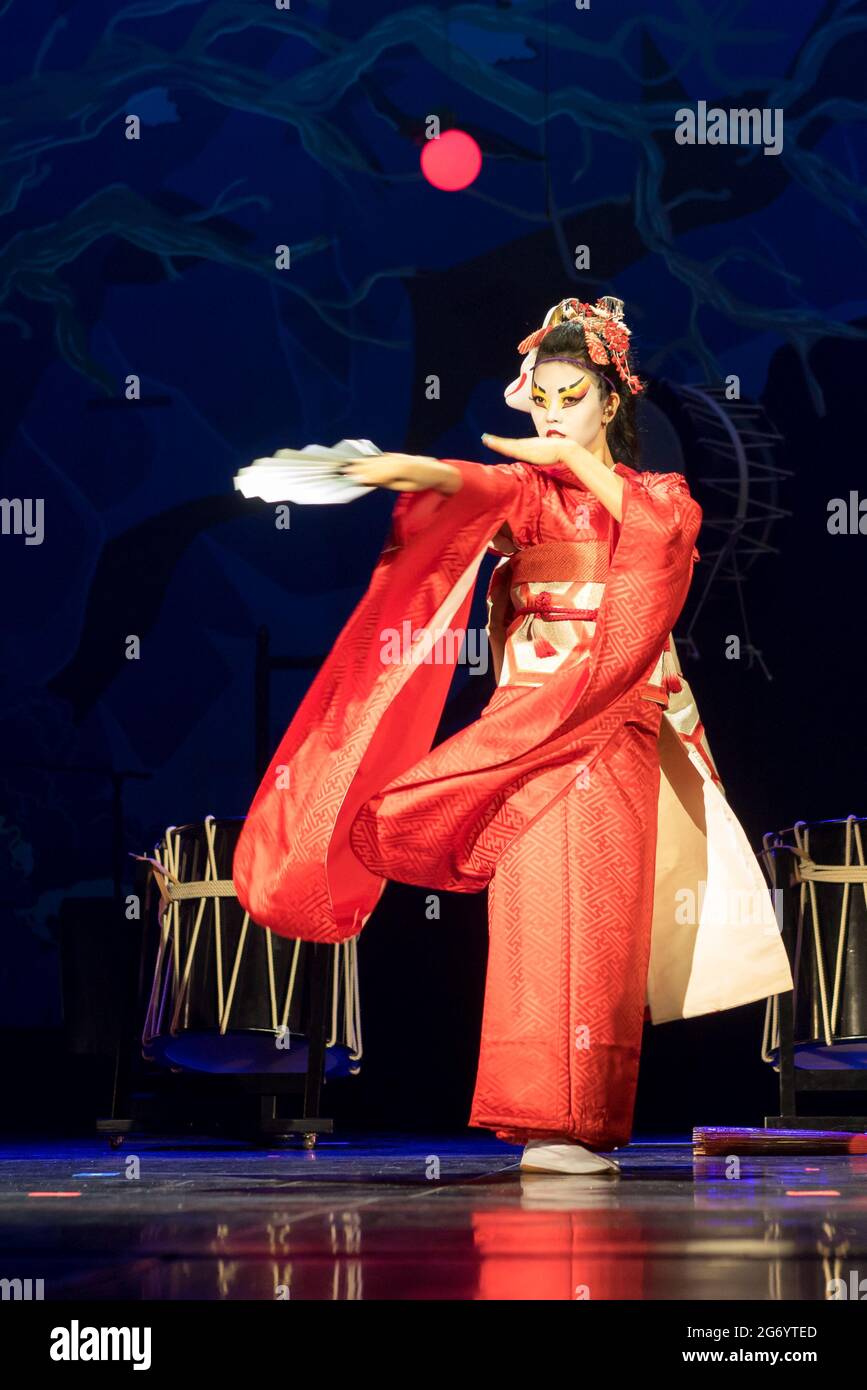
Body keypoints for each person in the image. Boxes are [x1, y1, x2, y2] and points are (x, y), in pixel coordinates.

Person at [233, 295, 792, 1176]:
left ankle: (586, 1119)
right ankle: (539, 1117)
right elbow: (476, 485)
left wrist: (573, 459)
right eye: (540, 397)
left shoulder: (656, 496)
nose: (551, 413)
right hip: (522, 736)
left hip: (607, 727)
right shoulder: (530, 495)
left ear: (611, 402)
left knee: (596, 928)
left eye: (570, 397)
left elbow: (664, 546)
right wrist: (397, 471)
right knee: (534, 924)